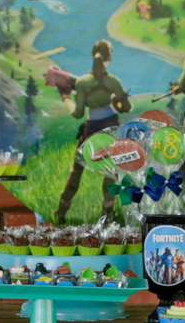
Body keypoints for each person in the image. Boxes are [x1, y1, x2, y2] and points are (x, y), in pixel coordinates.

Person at [53, 41, 129, 223]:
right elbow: (125, 107)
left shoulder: (82, 83)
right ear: (109, 58)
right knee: (111, 171)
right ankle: (108, 211)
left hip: (91, 128)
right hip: (111, 127)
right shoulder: (114, 81)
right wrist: (115, 101)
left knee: (77, 170)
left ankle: (62, 211)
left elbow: (78, 113)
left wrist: (65, 98)